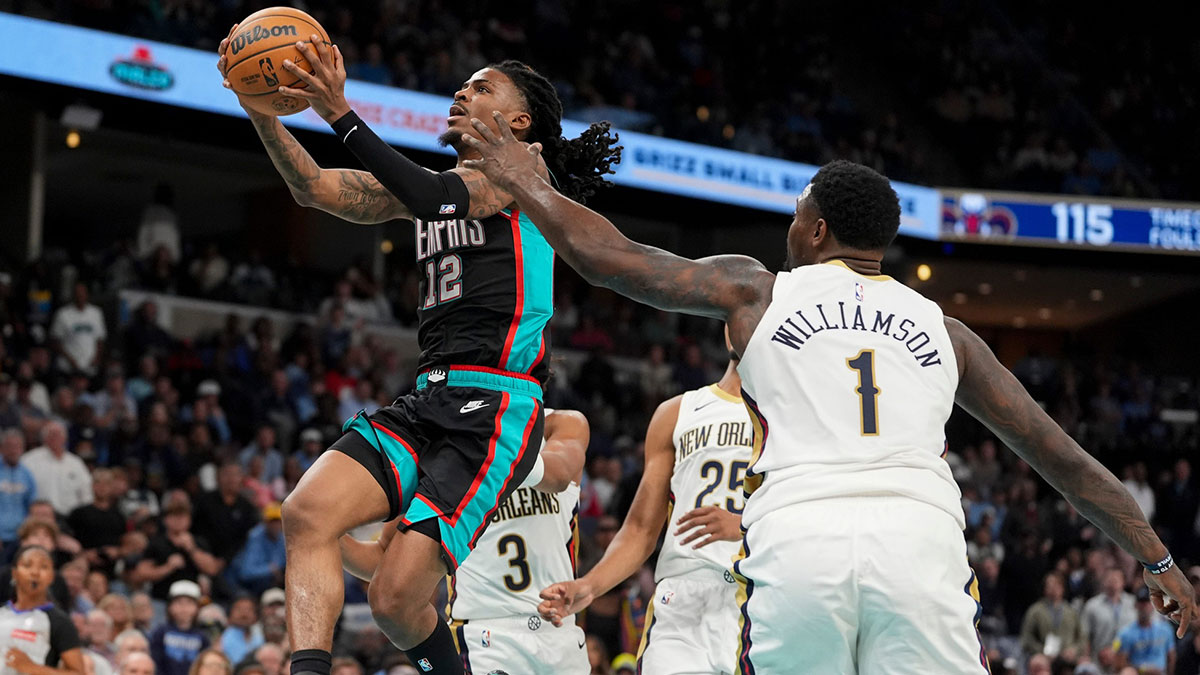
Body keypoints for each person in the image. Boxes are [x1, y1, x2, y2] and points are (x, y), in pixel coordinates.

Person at [463, 132, 1199, 671]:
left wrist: (529, 180)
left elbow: (614, 263)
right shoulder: (945, 330)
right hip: (919, 539)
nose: (789, 225)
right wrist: (1158, 558)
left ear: (815, 230)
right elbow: (1061, 458)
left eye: (795, 213)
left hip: (798, 538)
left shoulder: (759, 291)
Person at [216, 22, 620, 675]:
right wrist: (258, 110)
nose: (461, 93)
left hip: (494, 407)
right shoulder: (446, 189)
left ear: (518, 121)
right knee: (308, 511)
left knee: (395, 600)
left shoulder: (520, 177)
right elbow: (313, 188)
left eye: (480, 87)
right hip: (429, 395)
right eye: (461, 86)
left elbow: (432, 197)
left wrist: (338, 110)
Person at [540, 346, 751, 675]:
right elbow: (640, 529)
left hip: (760, 595)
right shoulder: (678, 412)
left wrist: (747, 524)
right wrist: (590, 586)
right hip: (683, 603)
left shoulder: (797, 414)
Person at [341, 409, 589, 674]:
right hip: (485, 635)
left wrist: (471, 455)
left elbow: (561, 473)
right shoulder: (443, 446)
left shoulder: (562, 423)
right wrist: (316, 530)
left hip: (561, 632)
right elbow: (383, 558)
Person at [0, 546, 85, 675]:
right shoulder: (2, 613)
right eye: (27, 565)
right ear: (14, 573)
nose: (35, 572)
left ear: (52, 576)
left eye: (43, 567)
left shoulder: (60, 622)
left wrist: (33, 668)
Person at [20, 422, 92, 516]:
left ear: (65, 438)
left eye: (59, 435)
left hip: (70, 517)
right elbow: (22, 490)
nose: (55, 438)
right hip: (39, 516)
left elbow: (86, 492)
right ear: (44, 438)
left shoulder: (76, 463)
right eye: (51, 435)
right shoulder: (28, 460)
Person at [148, 580, 210, 675]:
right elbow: (155, 661)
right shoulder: (160, 632)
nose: (184, 608)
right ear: (170, 606)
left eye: (189, 603)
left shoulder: (202, 637)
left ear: (197, 608)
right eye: (179, 602)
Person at [1113, 586, 1176, 674]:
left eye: (1147, 603)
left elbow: (1171, 657)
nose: (1144, 607)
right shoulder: (1126, 633)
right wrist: (1142, 670)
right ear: (1136, 605)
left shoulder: (1165, 629)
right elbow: (1119, 663)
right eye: (1141, 603)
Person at [1019, 572, 1081, 659]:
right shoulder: (1035, 610)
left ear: (1062, 588)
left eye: (1056, 585)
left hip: (1068, 656)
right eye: (1049, 586)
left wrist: (1074, 650)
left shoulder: (1071, 611)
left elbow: (1082, 637)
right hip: (1043, 656)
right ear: (1044, 589)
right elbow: (1027, 638)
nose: (1053, 589)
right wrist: (1041, 651)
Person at [1080, 568, 1136, 661]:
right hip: (1099, 657)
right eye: (1109, 579)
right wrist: (1086, 657)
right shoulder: (1092, 605)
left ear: (1123, 582)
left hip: (1129, 658)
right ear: (1103, 582)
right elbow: (1085, 635)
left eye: (1116, 579)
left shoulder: (1134, 603)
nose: (1113, 582)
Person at [50, 282, 106, 377]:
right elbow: (55, 341)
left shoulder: (96, 313)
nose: (80, 296)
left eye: (82, 293)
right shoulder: (63, 314)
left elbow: (100, 339)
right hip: (68, 368)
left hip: (90, 368)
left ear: (87, 294)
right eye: (77, 293)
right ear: (73, 295)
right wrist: (70, 359)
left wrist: (97, 358)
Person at [229, 505, 285, 595]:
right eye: (272, 522)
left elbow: (282, 564)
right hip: (240, 585)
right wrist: (270, 569)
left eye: (278, 521)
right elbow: (246, 572)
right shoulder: (255, 537)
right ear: (265, 522)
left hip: (267, 584)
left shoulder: (282, 538)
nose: (275, 525)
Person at [0, 429, 37, 559]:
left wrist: (27, 535)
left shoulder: (27, 474)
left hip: (19, 537)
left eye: (17, 446)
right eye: (9, 446)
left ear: (22, 449)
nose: (13, 450)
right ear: (2, 448)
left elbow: (32, 507)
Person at [218, 597, 264, 665]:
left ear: (256, 615)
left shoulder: (261, 637)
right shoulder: (222, 639)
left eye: (249, 609)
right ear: (230, 614)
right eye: (239, 609)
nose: (244, 613)